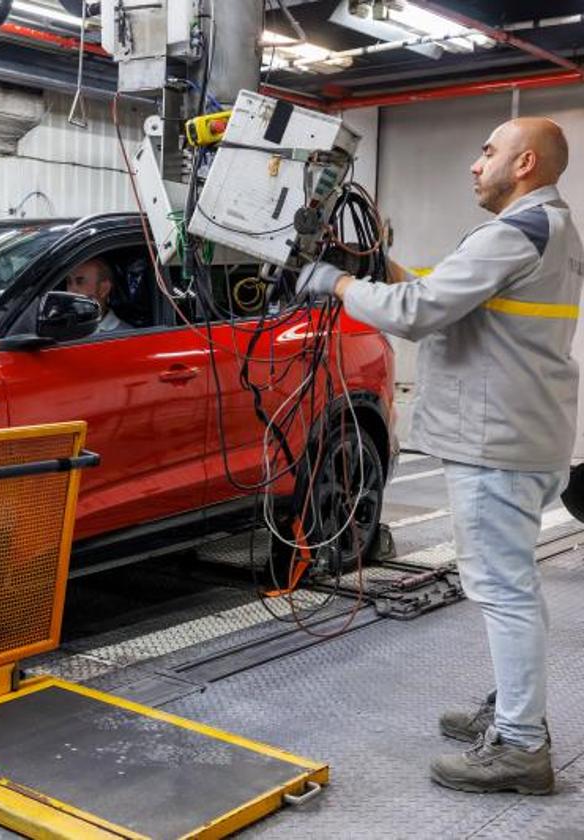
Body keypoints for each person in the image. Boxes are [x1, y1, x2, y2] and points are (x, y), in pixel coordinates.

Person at [300, 117, 583, 795]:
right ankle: (516, 710)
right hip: (525, 434)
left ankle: (520, 745)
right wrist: (374, 268)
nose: (474, 163)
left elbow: (421, 310)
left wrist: (331, 283)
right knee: (513, 585)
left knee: (503, 590)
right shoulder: (550, 232)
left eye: (488, 151)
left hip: (496, 442)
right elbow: (443, 288)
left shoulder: (518, 231)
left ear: (526, 163)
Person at [63, 258, 132, 333]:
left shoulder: (126, 336)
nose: (70, 291)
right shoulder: (61, 329)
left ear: (103, 289)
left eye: (80, 282)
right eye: (69, 282)